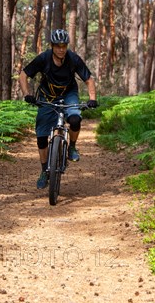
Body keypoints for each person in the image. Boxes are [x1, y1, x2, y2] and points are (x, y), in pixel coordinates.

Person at [19, 29, 98, 189]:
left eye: (64, 46)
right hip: (47, 96)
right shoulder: (44, 58)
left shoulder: (73, 59)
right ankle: (44, 171)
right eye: (58, 46)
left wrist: (92, 99)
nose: (61, 49)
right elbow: (23, 74)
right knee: (41, 136)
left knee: (75, 119)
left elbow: (88, 79)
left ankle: (72, 147)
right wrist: (27, 94)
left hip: (69, 93)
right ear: (52, 46)